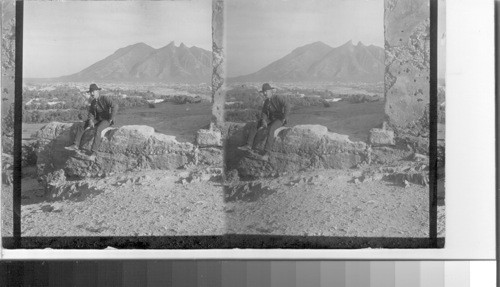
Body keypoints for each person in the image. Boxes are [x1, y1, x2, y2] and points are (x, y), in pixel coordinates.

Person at [65, 83, 118, 160]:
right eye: (90, 92)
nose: (92, 93)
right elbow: (91, 113)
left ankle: (94, 152)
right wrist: (90, 120)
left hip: (106, 119)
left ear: (97, 91)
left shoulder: (104, 98)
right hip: (98, 119)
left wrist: (111, 118)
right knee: (82, 125)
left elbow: (115, 105)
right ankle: (75, 144)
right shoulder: (93, 102)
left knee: (98, 130)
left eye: (93, 92)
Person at [239, 83, 291, 161]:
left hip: (280, 119)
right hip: (271, 119)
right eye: (263, 92)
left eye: (266, 91)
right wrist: (263, 120)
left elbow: (287, 105)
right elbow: (264, 112)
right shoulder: (266, 101)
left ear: (271, 91)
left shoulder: (277, 98)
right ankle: (248, 145)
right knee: (255, 124)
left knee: (271, 129)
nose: (264, 93)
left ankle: (267, 153)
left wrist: (285, 117)